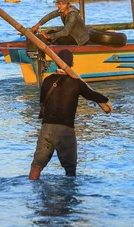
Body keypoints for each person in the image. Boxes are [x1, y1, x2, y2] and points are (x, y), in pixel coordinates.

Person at [29, 49, 112, 179]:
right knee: (70, 170)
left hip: (47, 128)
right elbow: (92, 95)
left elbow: (41, 102)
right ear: (72, 64)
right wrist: (106, 101)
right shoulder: (76, 83)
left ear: (56, 64)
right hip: (66, 130)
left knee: (36, 165)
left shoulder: (47, 81)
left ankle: (32, 189)